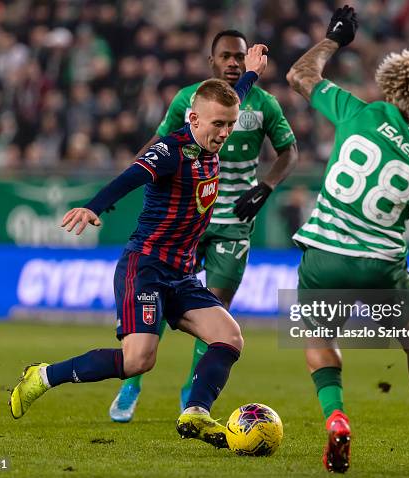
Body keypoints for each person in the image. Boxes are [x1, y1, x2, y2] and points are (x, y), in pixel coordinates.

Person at [9, 45, 268, 450]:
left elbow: (233, 99)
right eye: (218, 125)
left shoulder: (214, 130)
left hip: (181, 273)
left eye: (230, 126)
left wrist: (249, 74)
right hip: (144, 266)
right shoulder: (170, 150)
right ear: (193, 118)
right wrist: (93, 206)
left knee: (230, 337)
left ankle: (196, 411)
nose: (224, 133)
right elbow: (130, 176)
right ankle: (43, 376)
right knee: (138, 360)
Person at [286, 5, 409, 472]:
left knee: (319, 335)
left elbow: (300, 75)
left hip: (325, 256)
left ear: (388, 84)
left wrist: (334, 39)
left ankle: (336, 418)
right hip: (381, 265)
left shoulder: (359, 112)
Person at [109, 29, 298, 423]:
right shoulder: (188, 100)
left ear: (248, 60)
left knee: (216, 305)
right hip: (186, 220)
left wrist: (265, 187)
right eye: (225, 56)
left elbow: (289, 152)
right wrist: (125, 181)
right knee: (158, 294)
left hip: (234, 221)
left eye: (239, 56)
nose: (233, 62)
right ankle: (132, 382)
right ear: (211, 61)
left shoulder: (264, 104)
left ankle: (191, 392)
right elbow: (160, 143)